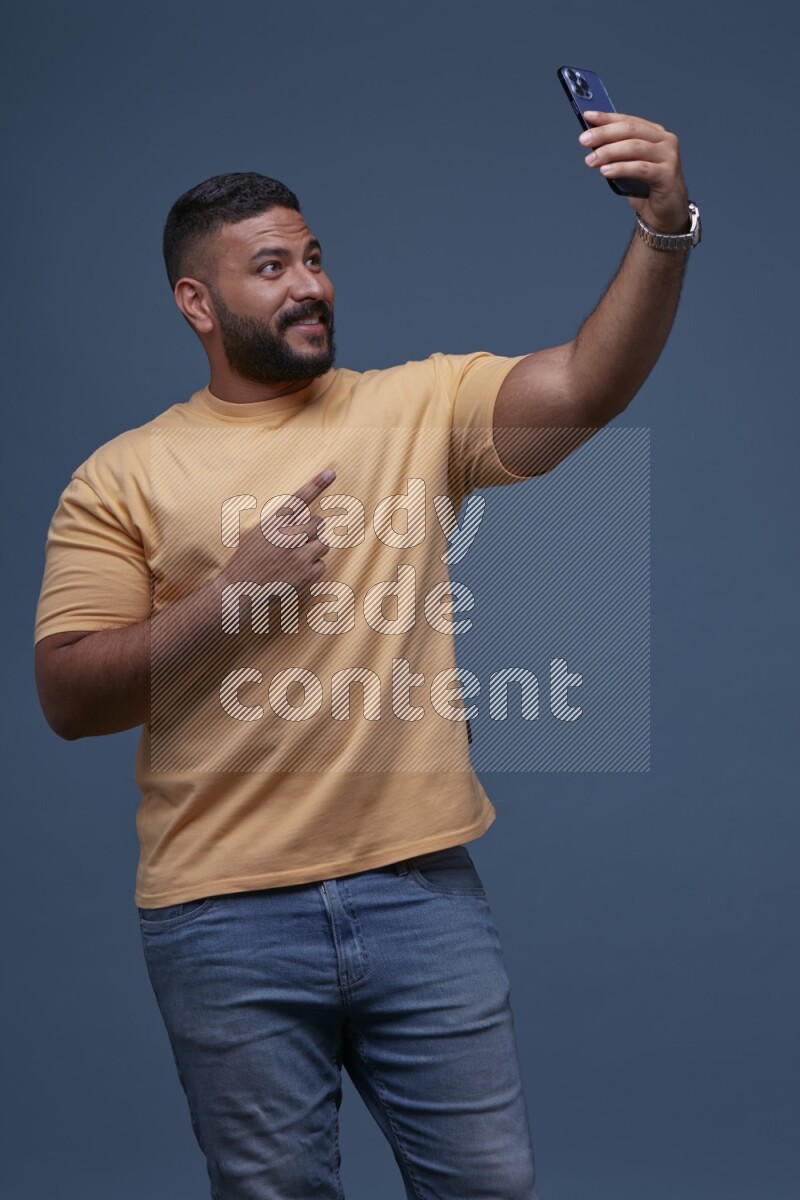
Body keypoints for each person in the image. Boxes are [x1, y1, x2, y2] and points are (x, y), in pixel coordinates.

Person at [34, 110, 699, 1199]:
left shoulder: (417, 407)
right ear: (195, 303)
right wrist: (234, 597)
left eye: (313, 258)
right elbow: (69, 695)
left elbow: (586, 385)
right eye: (268, 268)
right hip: (221, 914)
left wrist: (664, 229)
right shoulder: (123, 475)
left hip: (423, 896)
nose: (308, 286)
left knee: (489, 1188)